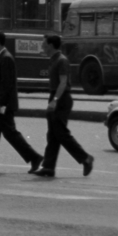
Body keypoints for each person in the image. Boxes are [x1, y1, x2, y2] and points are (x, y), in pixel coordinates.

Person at [0, 30, 42, 173]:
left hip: (2, 106)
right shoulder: (1, 57)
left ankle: (34, 157)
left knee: (10, 134)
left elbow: (7, 84)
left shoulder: (6, 58)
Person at [35, 32, 93, 178]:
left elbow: (63, 82)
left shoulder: (62, 60)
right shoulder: (54, 60)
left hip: (62, 98)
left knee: (61, 133)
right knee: (53, 134)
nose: (42, 46)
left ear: (50, 45)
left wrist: (54, 100)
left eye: (44, 43)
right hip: (56, 96)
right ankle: (48, 167)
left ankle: (85, 158)